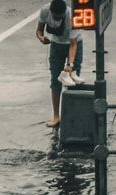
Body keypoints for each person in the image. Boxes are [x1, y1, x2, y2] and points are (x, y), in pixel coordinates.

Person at [35, 0, 83, 128]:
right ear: (51, 11)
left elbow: (73, 45)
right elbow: (39, 31)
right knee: (55, 79)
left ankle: (73, 115)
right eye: (55, 17)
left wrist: (70, 65)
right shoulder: (45, 11)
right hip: (56, 45)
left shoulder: (72, 16)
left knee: (73, 79)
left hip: (74, 44)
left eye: (60, 17)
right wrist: (41, 38)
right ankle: (56, 115)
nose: (58, 19)